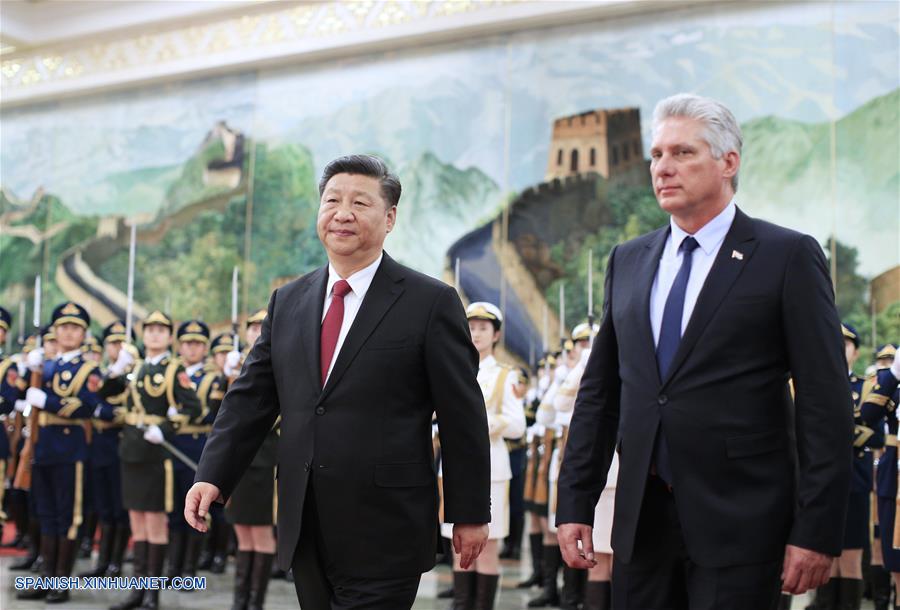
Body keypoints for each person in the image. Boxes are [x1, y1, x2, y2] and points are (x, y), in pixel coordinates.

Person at [555, 93, 853, 610]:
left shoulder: (786, 256)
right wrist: (575, 502)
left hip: (743, 526)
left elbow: (825, 402)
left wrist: (817, 528)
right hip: (641, 525)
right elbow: (602, 393)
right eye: (656, 155)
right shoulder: (629, 260)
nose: (663, 168)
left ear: (728, 161)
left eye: (682, 153)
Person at [186, 154, 491, 610]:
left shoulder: (430, 302)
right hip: (304, 521)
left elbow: (461, 415)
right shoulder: (289, 301)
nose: (342, 213)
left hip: (386, 527)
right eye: (332, 200)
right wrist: (213, 474)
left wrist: (467, 512)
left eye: (360, 203)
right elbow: (250, 398)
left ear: (389, 218)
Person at [102, 310, 202, 610]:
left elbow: (192, 406)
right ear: (143, 334)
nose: (155, 334)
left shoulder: (173, 370)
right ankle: (137, 590)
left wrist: (166, 428)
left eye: (161, 330)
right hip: (131, 451)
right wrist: (115, 372)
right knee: (138, 524)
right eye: (150, 329)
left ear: (169, 337)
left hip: (155, 455)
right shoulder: (136, 367)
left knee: (155, 524)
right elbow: (106, 396)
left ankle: (151, 595)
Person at [16, 302, 104, 604]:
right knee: (46, 514)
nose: (68, 332)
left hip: (70, 448)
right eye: (63, 327)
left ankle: (61, 583)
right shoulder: (46, 366)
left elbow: (88, 406)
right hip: (44, 446)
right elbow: (20, 394)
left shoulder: (89, 369)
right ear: (54, 332)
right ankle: (47, 578)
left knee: (68, 517)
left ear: (83, 334)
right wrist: (30, 370)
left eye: (75, 327)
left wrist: (49, 402)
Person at [442, 301, 526, 609]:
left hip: (491, 469)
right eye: (471, 327)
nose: (476, 334)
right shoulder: (452, 369)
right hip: (453, 469)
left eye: (483, 328)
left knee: (487, 547)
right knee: (457, 546)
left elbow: (518, 425)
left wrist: (479, 424)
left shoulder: (506, 376)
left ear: (496, 334)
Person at [224, 307, 279, 610]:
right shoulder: (236, 366)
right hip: (238, 460)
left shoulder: (280, 364)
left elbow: (273, 412)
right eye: (252, 327)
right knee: (242, 533)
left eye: (262, 326)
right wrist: (230, 380)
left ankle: (255, 603)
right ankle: (239, 601)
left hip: (265, 457)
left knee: (260, 533)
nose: (256, 332)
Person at [167, 320, 227, 581]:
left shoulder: (214, 378)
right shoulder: (169, 375)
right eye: (187, 343)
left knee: (196, 509)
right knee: (173, 509)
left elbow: (212, 415)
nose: (192, 348)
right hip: (172, 447)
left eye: (197, 344)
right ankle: (173, 568)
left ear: (205, 347)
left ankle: (189, 570)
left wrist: (177, 416)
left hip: (198, 447)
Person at [78, 321, 134, 580]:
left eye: (122, 342)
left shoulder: (132, 377)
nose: (117, 347)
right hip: (99, 444)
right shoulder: (101, 374)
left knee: (118, 507)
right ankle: (103, 561)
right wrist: (104, 409)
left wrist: (106, 410)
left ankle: (116, 564)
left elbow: (126, 411)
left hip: (119, 444)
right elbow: (90, 400)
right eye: (113, 342)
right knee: (102, 506)